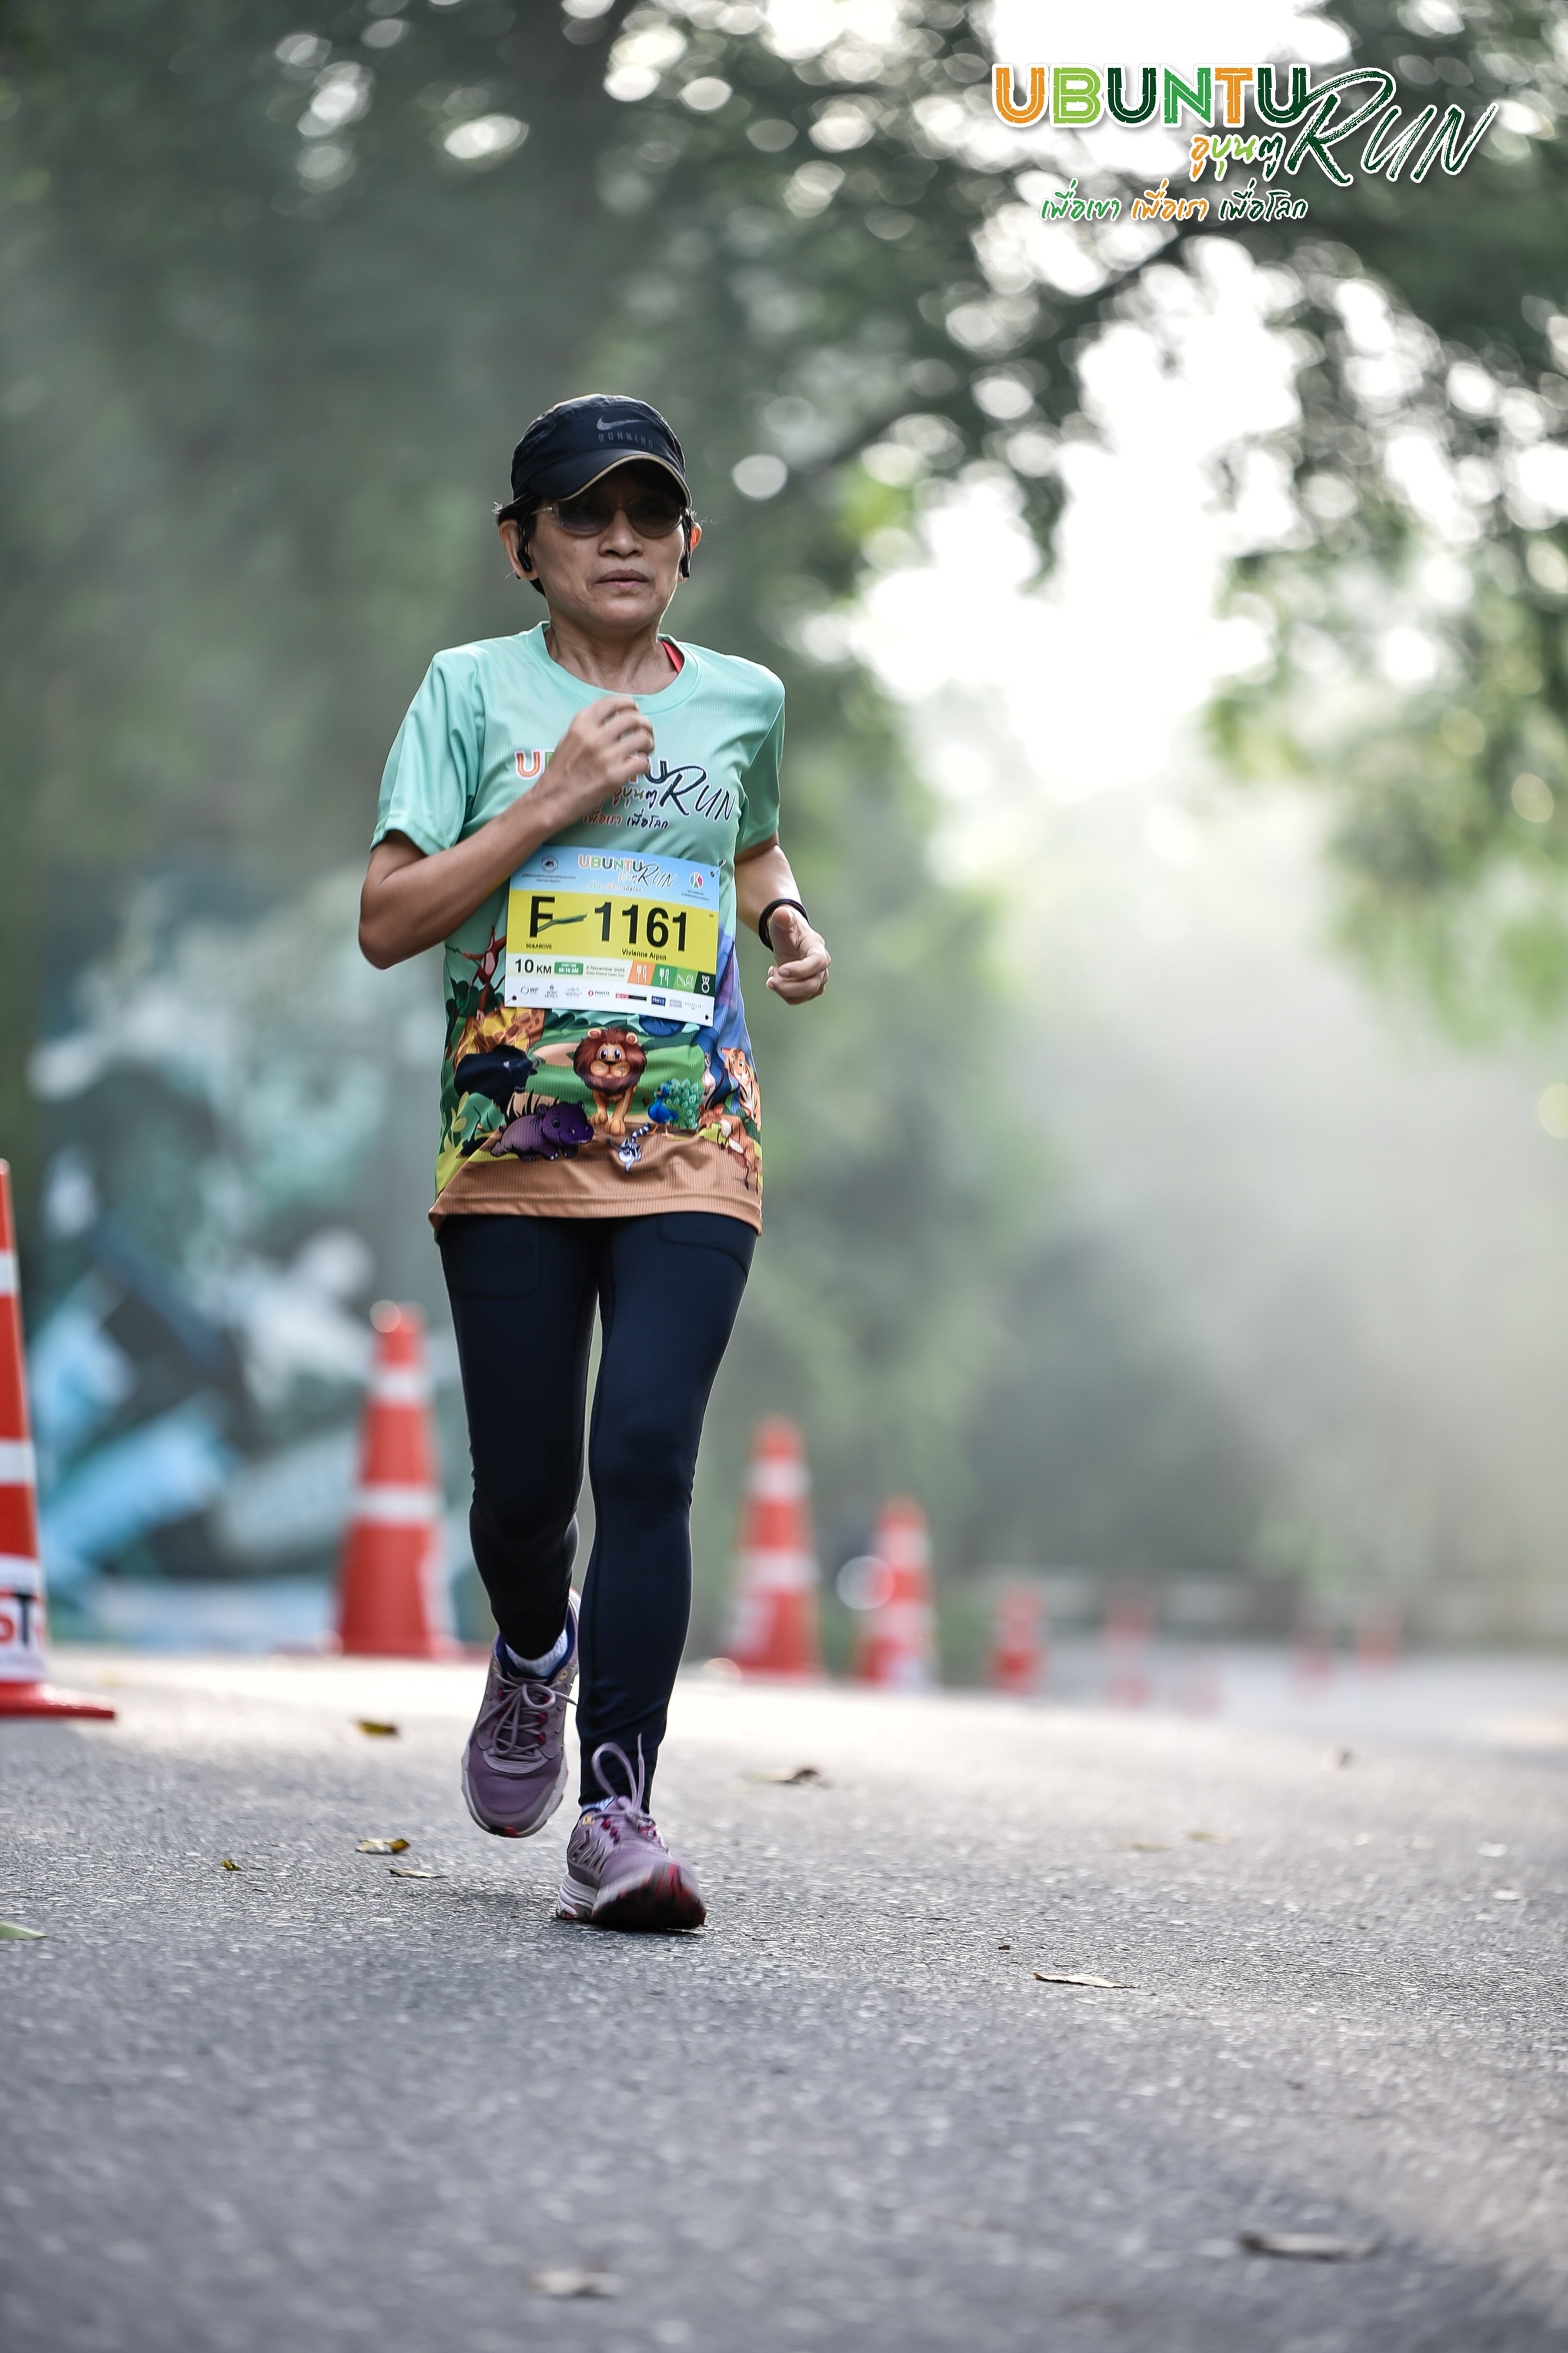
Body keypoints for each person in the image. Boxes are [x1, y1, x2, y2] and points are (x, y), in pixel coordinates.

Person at [358, 394, 829, 1932]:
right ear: (524, 546)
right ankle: (531, 1651)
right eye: (584, 515)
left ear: (687, 542)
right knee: (524, 1499)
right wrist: (554, 799)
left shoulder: (746, 699)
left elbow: (749, 837)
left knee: (645, 1456)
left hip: (694, 1133)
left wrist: (782, 915)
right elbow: (387, 920)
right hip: (512, 1137)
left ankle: (617, 1806)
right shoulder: (466, 691)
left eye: (648, 515)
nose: (620, 539)